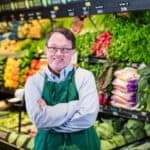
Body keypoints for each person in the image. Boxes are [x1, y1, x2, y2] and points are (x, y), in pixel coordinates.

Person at [25, 27, 100, 150]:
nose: (59, 54)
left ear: (73, 52)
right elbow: (39, 120)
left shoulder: (85, 76)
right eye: (53, 48)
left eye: (65, 49)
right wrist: (76, 105)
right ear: (46, 50)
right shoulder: (33, 82)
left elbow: (87, 118)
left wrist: (49, 118)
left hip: (84, 145)